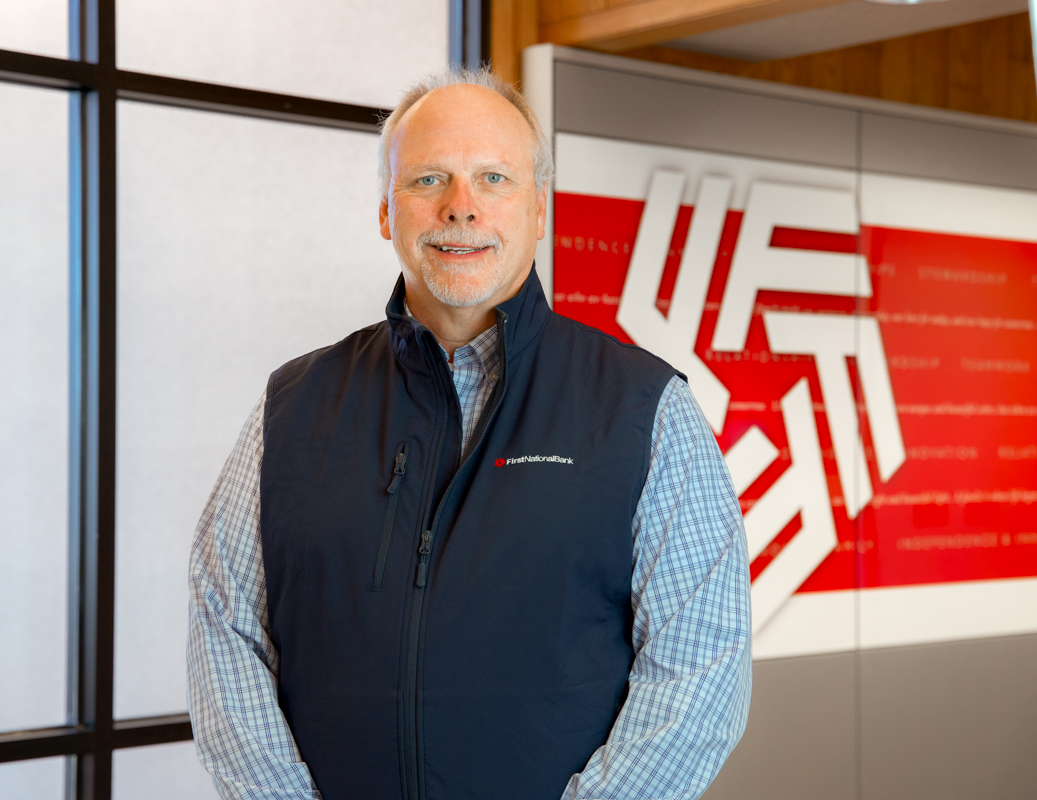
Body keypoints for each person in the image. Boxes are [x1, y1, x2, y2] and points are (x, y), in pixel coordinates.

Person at [188, 68, 751, 800]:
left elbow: (700, 669)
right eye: (428, 180)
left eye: (493, 178)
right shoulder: (291, 406)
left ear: (539, 210)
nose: (461, 208)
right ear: (387, 212)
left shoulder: (644, 410)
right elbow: (224, 630)